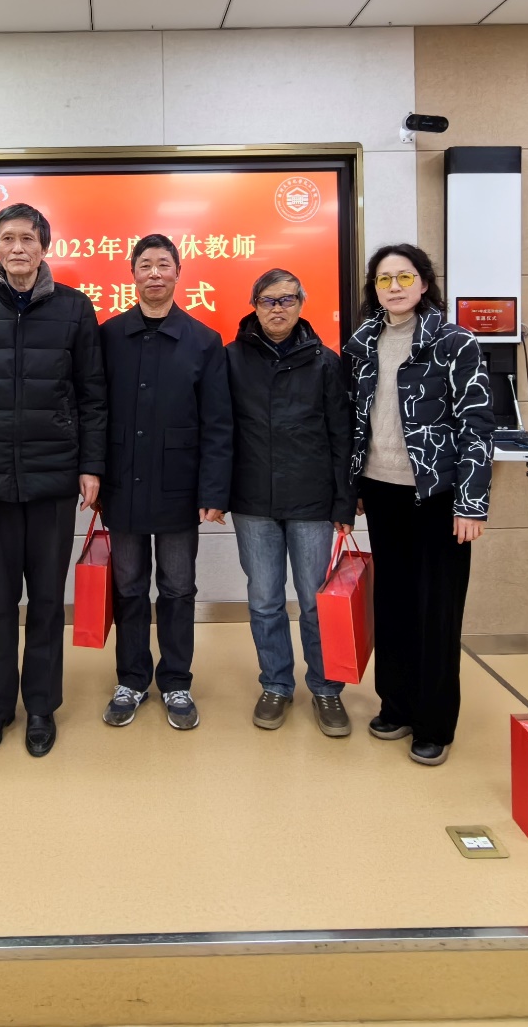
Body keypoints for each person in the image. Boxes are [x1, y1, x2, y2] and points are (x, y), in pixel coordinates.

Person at [0, 202, 106, 759]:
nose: (18, 247)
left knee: (46, 601)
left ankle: (40, 707)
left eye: (28, 239)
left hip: (53, 477)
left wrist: (90, 465)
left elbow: (92, 396)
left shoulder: (74, 308)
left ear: (44, 247)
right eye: (8, 238)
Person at [344, 243, 494, 767]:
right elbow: (355, 420)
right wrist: (352, 487)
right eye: (384, 279)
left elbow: (477, 426)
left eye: (405, 277)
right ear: (374, 288)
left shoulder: (455, 342)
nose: (395, 287)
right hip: (382, 490)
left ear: (424, 283)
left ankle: (434, 723)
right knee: (394, 603)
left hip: (438, 496)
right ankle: (397, 705)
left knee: (437, 610)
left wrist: (471, 505)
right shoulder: (362, 342)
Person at [97, 235, 232, 732]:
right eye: (145, 265)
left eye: (163, 264)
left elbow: (218, 424)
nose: (154, 273)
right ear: (132, 273)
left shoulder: (204, 340)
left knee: (177, 589)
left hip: (180, 490)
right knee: (129, 588)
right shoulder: (108, 336)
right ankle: (131, 679)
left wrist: (213, 492)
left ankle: (176, 680)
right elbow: (93, 412)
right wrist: (93, 474)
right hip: (122, 486)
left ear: (179, 272)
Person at [226, 268, 356, 737]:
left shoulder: (325, 361)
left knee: (316, 603)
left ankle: (326, 688)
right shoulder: (231, 358)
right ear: (254, 306)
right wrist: (215, 494)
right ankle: (276, 684)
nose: (277, 308)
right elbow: (220, 431)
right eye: (267, 300)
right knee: (264, 601)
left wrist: (345, 501)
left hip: (312, 501)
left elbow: (342, 435)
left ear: (301, 303)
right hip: (252, 502)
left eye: (286, 299)